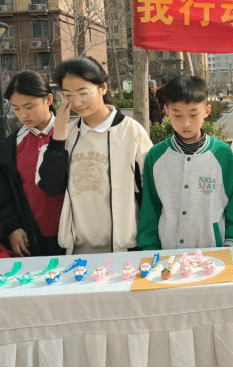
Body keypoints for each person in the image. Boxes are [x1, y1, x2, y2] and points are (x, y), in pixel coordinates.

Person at [37, 57, 153, 255]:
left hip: (123, 250)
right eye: (68, 95)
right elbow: (51, 186)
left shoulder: (131, 132)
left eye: (83, 93)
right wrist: (59, 135)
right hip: (77, 250)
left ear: (103, 88)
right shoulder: (66, 134)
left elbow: (150, 189)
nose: (76, 102)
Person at [137, 75, 233, 250]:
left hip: (213, 251)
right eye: (177, 115)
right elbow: (150, 208)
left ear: (207, 111)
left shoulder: (222, 154)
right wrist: (149, 248)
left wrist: (232, 240)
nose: (186, 123)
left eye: (193, 114)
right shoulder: (155, 156)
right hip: (168, 252)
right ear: (166, 111)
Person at [0, 72, 65, 257]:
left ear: (48, 99)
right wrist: (12, 227)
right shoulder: (9, 148)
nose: (23, 115)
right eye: (17, 108)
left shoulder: (74, 134)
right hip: (33, 239)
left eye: (29, 106)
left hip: (78, 235)